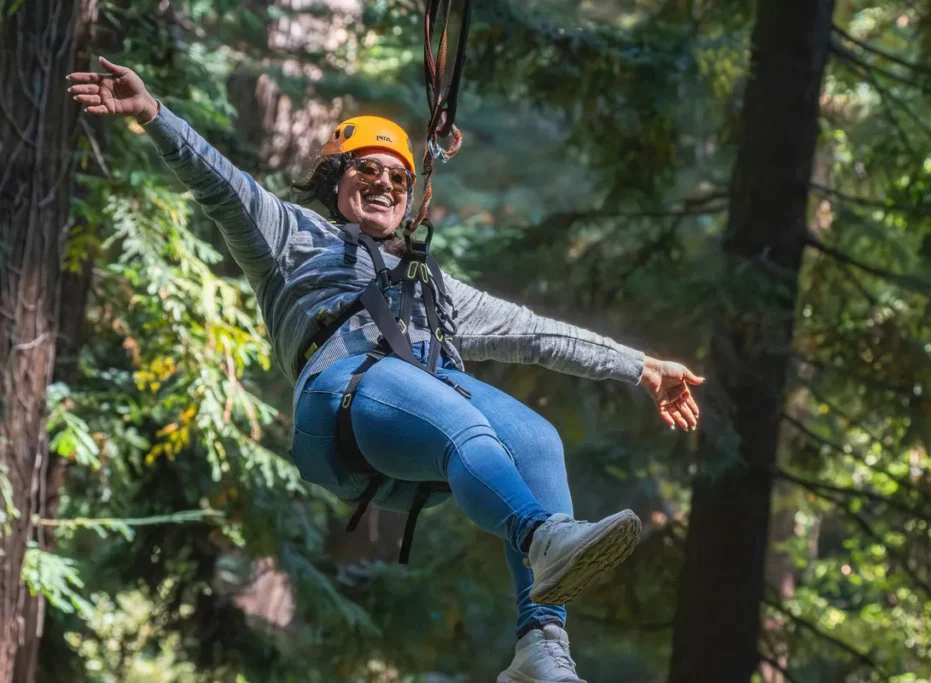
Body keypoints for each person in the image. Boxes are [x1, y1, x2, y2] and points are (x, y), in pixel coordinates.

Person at [68, 56, 704, 683]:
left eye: (398, 179)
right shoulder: (290, 236)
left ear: (409, 200)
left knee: (538, 440)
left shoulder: (433, 286)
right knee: (453, 411)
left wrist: (639, 366)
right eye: (365, 170)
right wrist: (154, 114)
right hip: (340, 402)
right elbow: (221, 184)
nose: (383, 184)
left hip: (421, 419)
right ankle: (541, 535)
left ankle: (541, 645)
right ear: (334, 178)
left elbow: (533, 332)